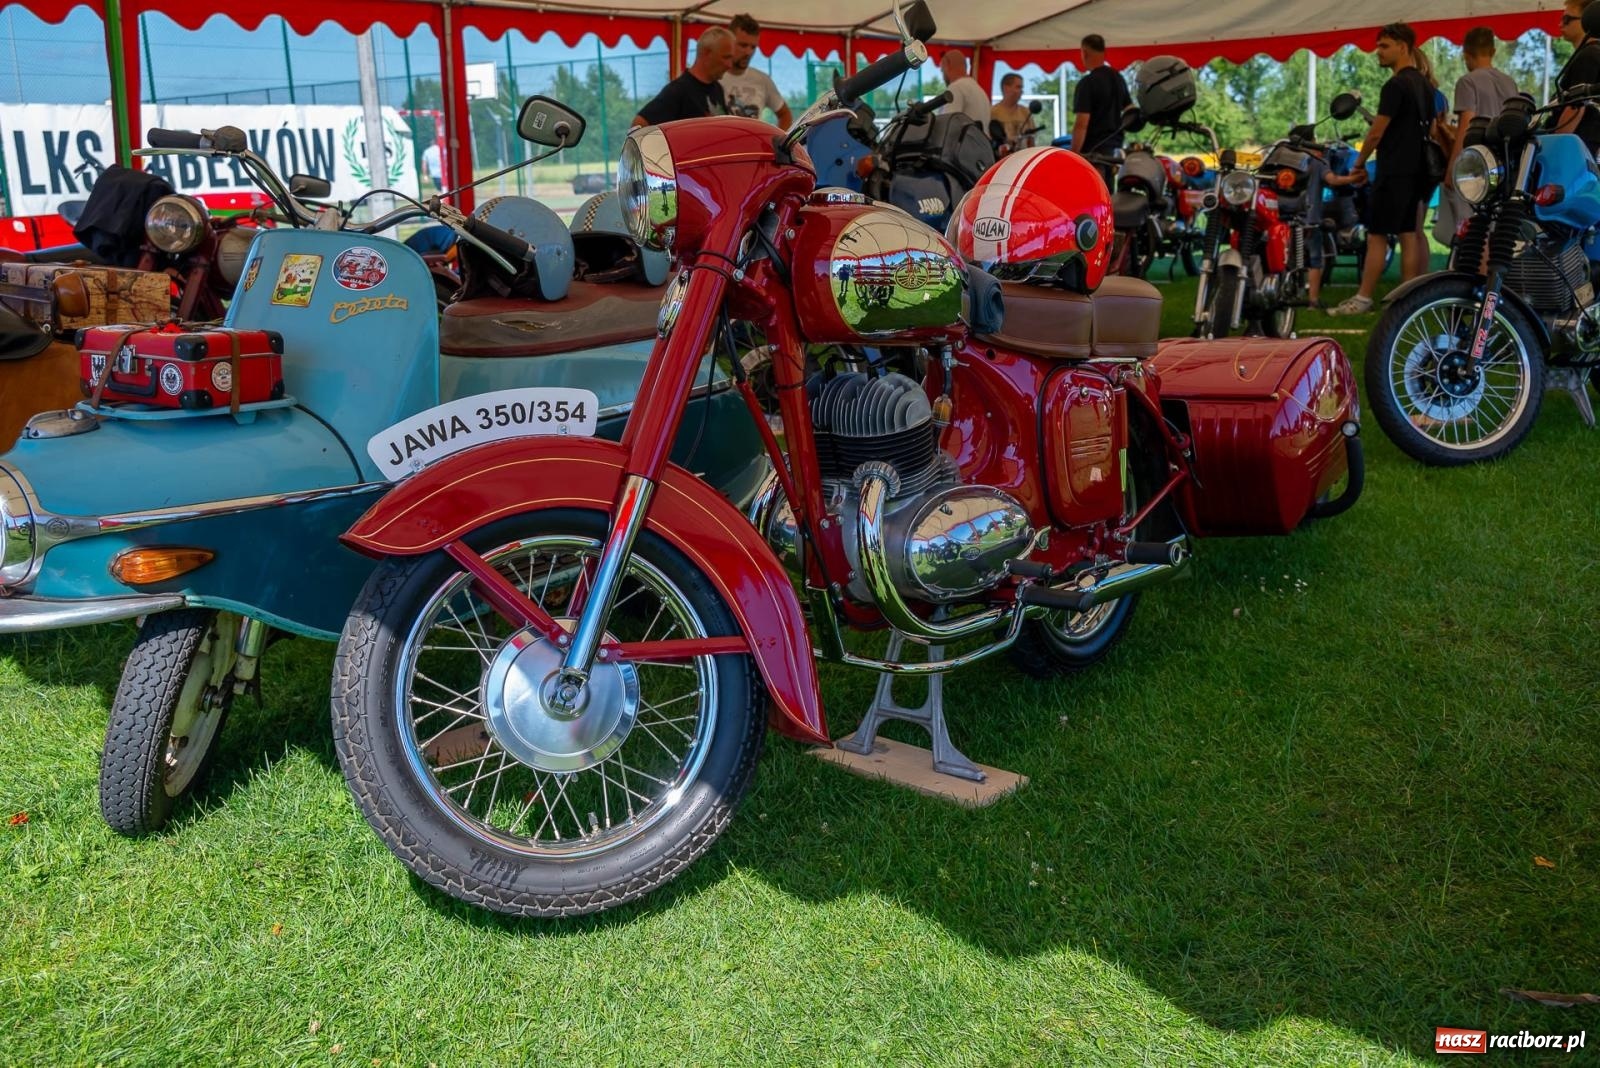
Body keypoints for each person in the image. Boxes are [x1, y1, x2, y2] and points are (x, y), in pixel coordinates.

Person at [1329, 23, 1436, 316]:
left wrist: (1359, 163)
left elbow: (1376, 132)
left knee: (1377, 235)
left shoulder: (1395, 85)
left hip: (1394, 170)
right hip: (1418, 170)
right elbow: (1433, 129)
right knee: (1408, 233)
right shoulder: (1425, 85)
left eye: (1384, 46)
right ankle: (1408, 300)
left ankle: (1363, 298)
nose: (1378, 51)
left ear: (1403, 47)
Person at [1438, 27, 1519, 242]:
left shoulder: (1468, 82)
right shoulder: (1509, 82)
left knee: (1473, 231)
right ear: (1493, 51)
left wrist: (1453, 168)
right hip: (1504, 164)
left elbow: (1467, 125)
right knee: (1496, 229)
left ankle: (1475, 264)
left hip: (1476, 165)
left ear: (1465, 54)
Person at [633, 27, 733, 127]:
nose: (729, 65)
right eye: (725, 57)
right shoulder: (678, 90)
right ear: (706, 53)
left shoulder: (717, 88)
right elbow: (639, 124)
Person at [1071, 35, 1132, 182]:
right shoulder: (1118, 78)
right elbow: (1130, 109)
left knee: (1093, 190)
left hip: (1093, 153)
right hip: (1114, 151)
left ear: (1084, 52)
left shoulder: (1087, 83)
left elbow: (1082, 124)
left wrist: (1073, 155)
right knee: (1109, 190)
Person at [721, 14, 793, 129]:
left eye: (753, 47)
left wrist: (778, 139)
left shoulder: (762, 80)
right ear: (729, 42)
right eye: (743, 45)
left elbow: (785, 114)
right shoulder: (713, 78)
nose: (748, 52)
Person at [1555, 0, 1600, 156]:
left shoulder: (1589, 55)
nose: (1560, 24)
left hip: (1575, 148)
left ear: (1587, 20)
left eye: (1567, 19)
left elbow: (1575, 107)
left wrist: (1555, 146)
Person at [937, 51, 991, 125]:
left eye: (942, 70)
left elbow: (948, 125)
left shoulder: (955, 88)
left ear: (948, 65)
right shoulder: (979, 90)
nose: (943, 77)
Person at [990, 73, 1034, 149]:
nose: (1021, 91)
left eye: (1021, 88)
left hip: (1024, 154)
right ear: (1006, 88)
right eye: (1018, 87)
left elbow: (1031, 140)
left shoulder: (1025, 112)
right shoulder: (993, 112)